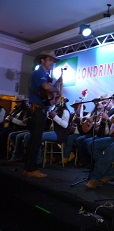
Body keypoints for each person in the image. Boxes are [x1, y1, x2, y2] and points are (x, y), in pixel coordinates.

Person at [24, 50, 60, 178]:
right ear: (42, 60)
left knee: (34, 139)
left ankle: (29, 167)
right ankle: (32, 168)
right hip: (38, 110)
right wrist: (57, 89)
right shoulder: (39, 73)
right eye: (50, 60)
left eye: (53, 61)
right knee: (36, 139)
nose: (52, 63)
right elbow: (46, 87)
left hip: (38, 110)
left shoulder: (43, 74)